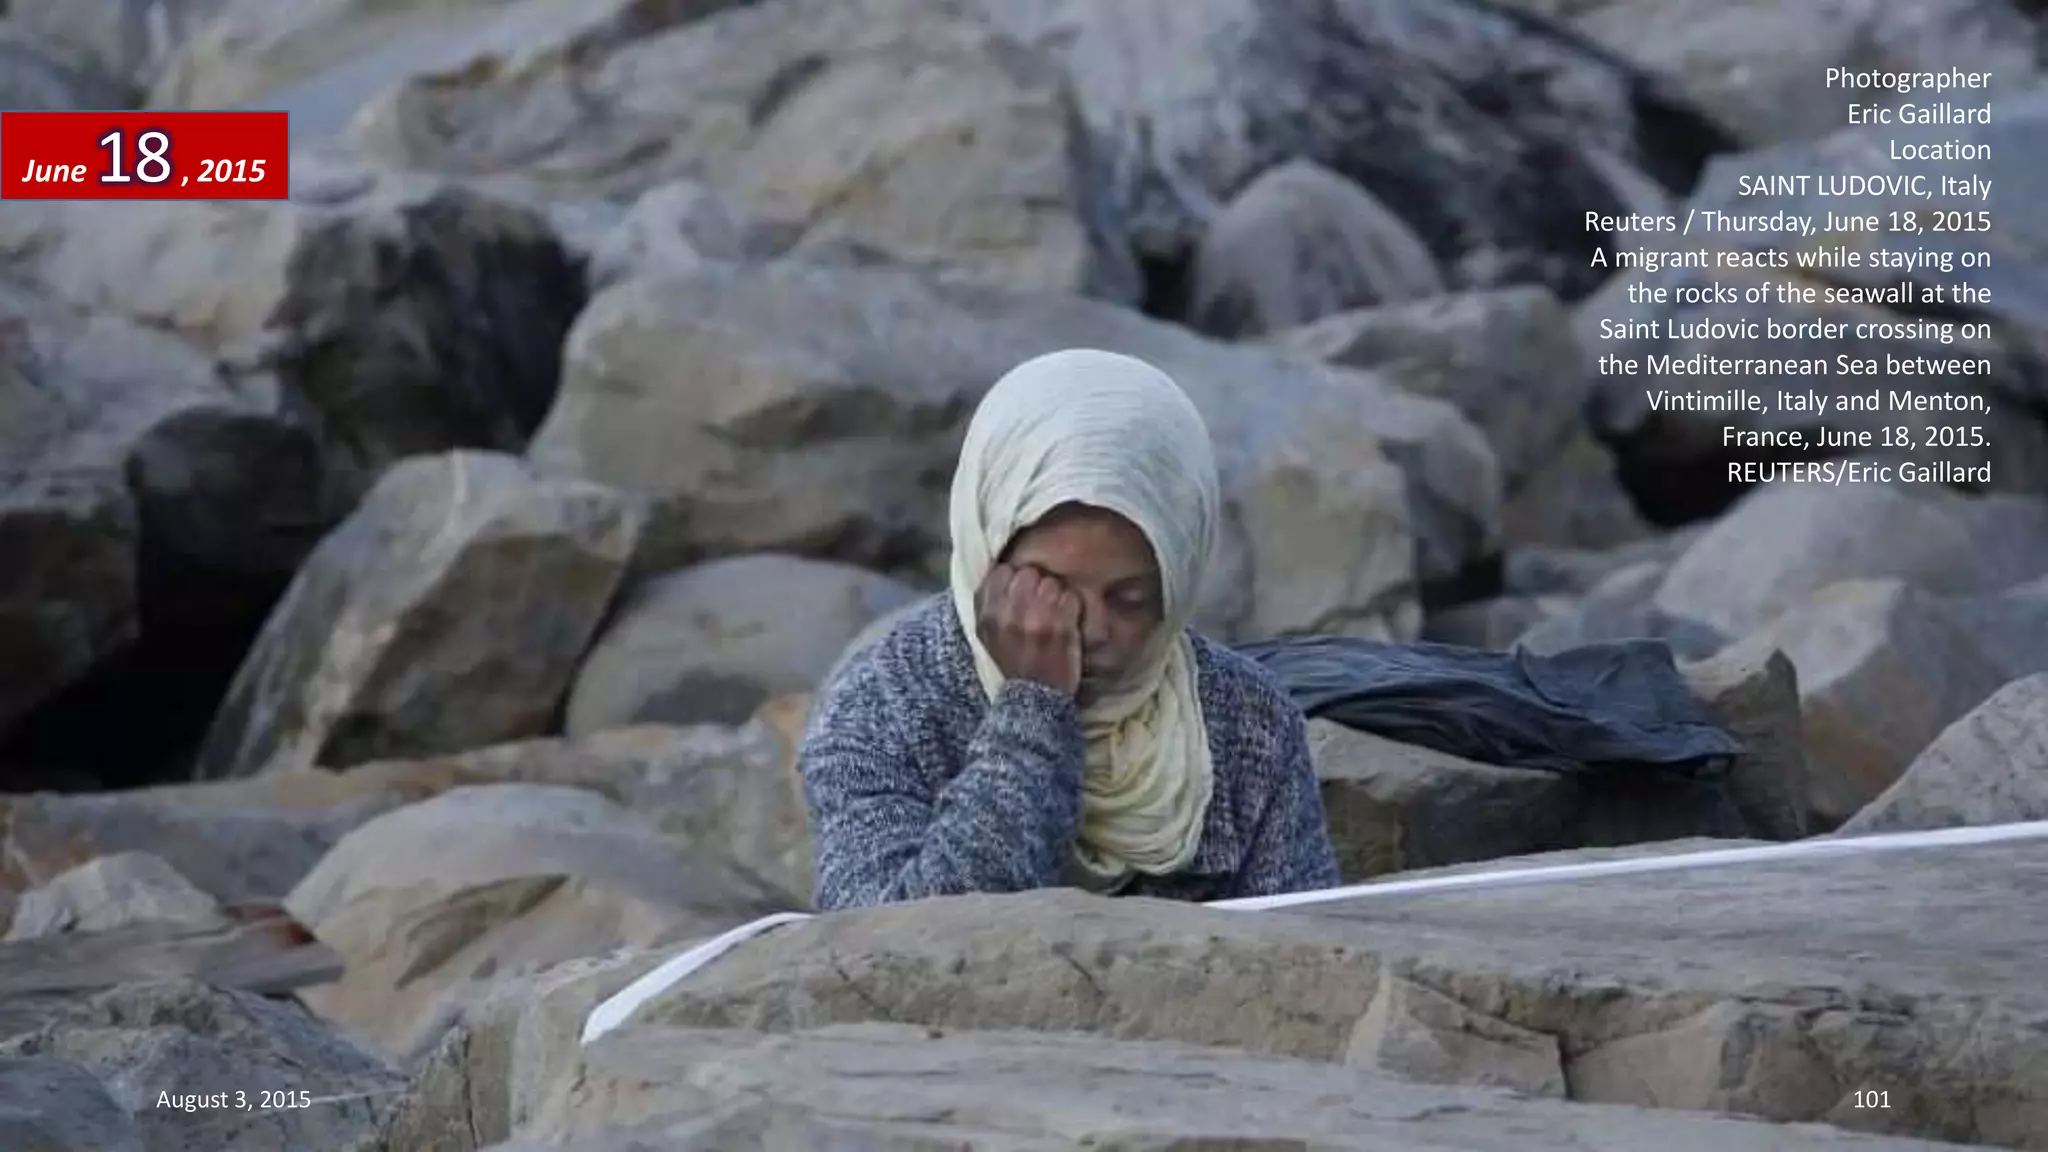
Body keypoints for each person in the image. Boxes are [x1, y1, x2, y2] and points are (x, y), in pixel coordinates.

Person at [798, 348, 1342, 910]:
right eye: (1049, 587)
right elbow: (893, 947)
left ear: (1175, 587)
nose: (1090, 628)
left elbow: (1306, 947)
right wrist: (1032, 710)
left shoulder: (1247, 722)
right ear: (988, 551)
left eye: (1129, 600)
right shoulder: (883, 705)